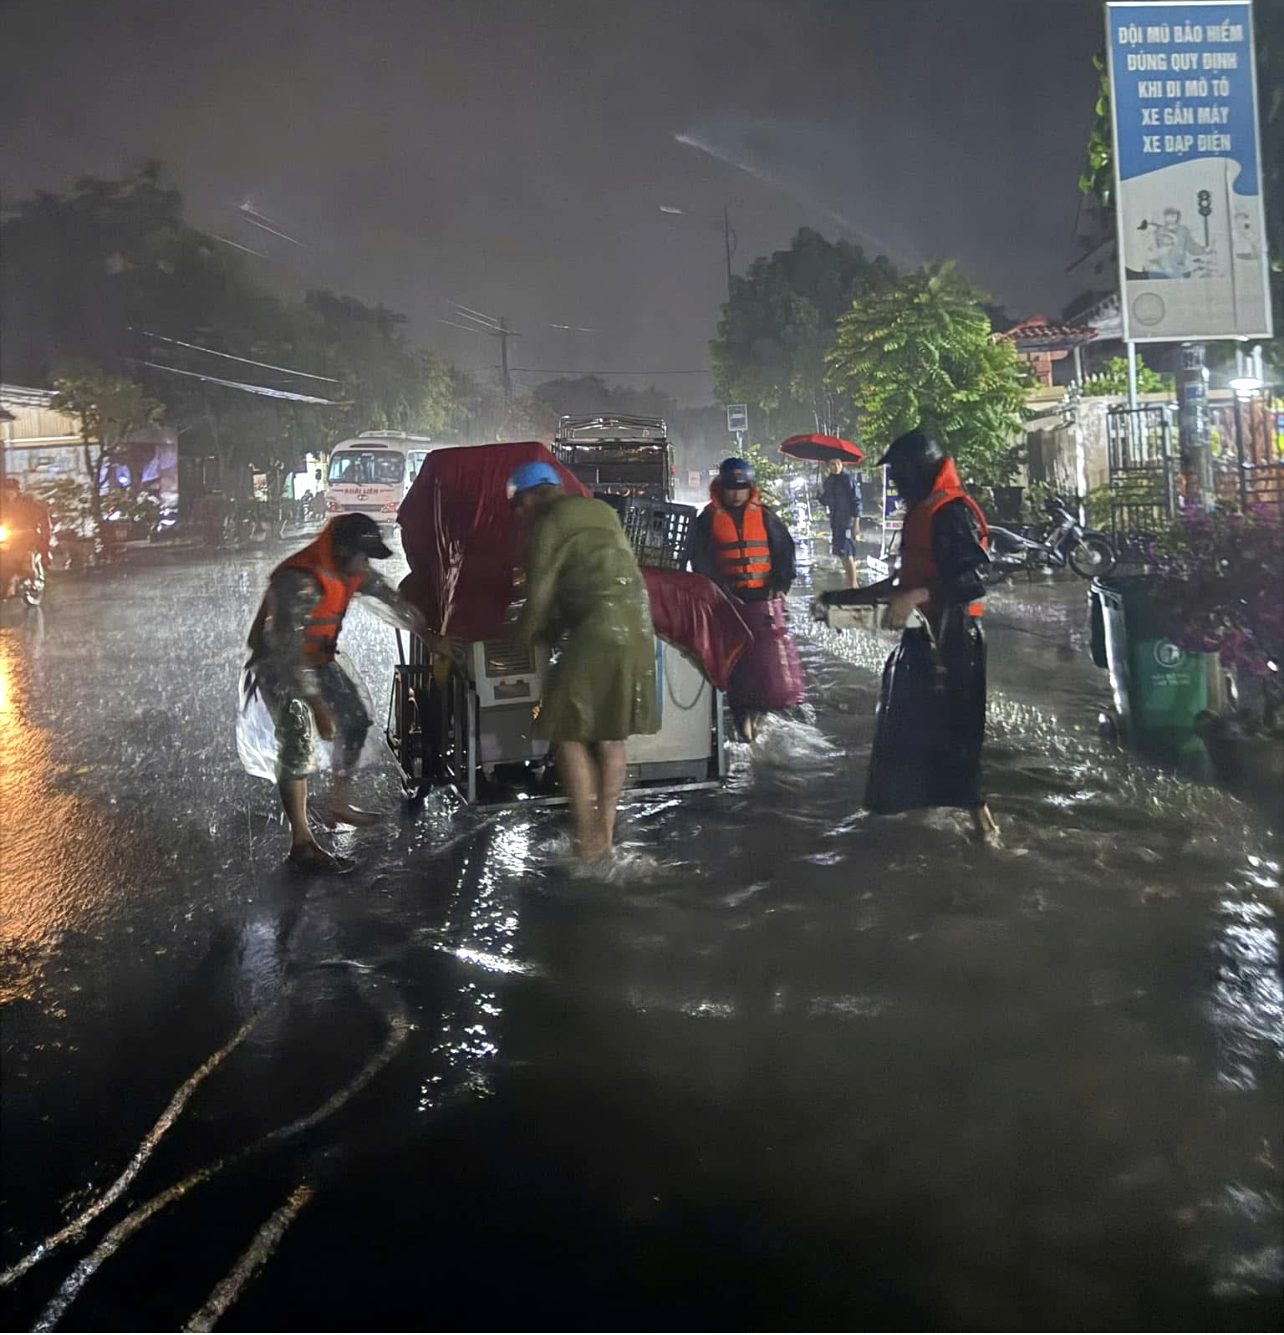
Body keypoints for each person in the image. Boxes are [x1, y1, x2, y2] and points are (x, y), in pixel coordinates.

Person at [817, 429, 998, 840]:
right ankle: (891, 817)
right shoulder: (924, 511)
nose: (895, 482)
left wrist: (915, 596)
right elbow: (903, 582)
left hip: (956, 643)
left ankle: (982, 824)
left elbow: (970, 580)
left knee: (956, 732)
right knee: (900, 727)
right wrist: (840, 600)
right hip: (923, 640)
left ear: (919, 470)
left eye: (899, 473)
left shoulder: (951, 512)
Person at [242, 513, 424, 870]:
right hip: (280, 664)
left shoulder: (351, 570)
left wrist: (431, 636)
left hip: (317, 658)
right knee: (297, 740)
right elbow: (287, 654)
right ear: (342, 550)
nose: (365, 563)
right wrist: (317, 706)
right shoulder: (298, 581)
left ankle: (339, 803)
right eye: (362, 555)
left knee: (355, 719)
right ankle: (302, 842)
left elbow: (389, 599)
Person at [509, 461, 659, 862]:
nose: (520, 515)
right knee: (611, 735)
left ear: (528, 495)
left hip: (599, 627)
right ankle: (604, 837)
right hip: (640, 624)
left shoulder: (549, 522)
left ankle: (585, 836)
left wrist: (521, 638)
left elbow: (539, 595)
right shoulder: (601, 510)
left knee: (564, 729)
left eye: (517, 506)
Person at [691, 456, 803, 742]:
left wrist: (781, 588)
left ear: (749, 487)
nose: (736, 493)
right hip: (728, 606)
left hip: (762, 604)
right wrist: (719, 591)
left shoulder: (766, 517)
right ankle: (744, 727)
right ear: (721, 487)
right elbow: (701, 561)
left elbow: (785, 555)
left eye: (741, 487)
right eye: (730, 487)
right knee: (738, 671)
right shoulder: (706, 520)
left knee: (765, 669)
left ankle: (760, 718)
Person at [0, 476, 51, 597]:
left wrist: (37, 529)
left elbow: (42, 515)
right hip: (7, 537)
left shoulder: (28, 503)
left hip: (27, 538)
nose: (9, 493)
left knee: (27, 562)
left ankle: (33, 582)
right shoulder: (2, 504)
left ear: (17, 491)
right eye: (6, 490)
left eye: (12, 490)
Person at [818, 458, 863, 587]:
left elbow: (857, 501)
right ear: (828, 466)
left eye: (838, 463)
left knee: (847, 552)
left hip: (847, 522)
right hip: (835, 521)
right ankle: (850, 583)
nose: (836, 467)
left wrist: (856, 522)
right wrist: (820, 495)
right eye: (833, 464)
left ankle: (854, 586)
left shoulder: (848, 480)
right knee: (841, 553)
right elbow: (827, 501)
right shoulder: (829, 481)